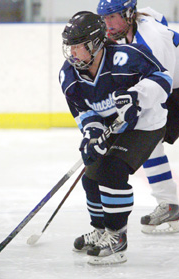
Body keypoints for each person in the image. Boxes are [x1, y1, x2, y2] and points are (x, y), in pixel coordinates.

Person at [59, 11, 172, 265]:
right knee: (91, 176)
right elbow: (83, 111)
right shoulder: (68, 75)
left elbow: (163, 78)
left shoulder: (126, 58)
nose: (72, 52)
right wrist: (92, 134)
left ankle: (117, 238)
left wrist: (137, 97)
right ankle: (100, 231)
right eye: (70, 46)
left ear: (96, 43)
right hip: (112, 125)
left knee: (112, 171)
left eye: (78, 46)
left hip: (145, 124)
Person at [97, 0, 179, 234]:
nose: (108, 24)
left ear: (129, 13)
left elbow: (162, 83)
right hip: (173, 86)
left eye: (113, 17)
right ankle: (171, 205)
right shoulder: (130, 29)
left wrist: (135, 104)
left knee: (148, 132)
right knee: (149, 140)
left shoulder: (152, 38)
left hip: (172, 86)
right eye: (105, 18)